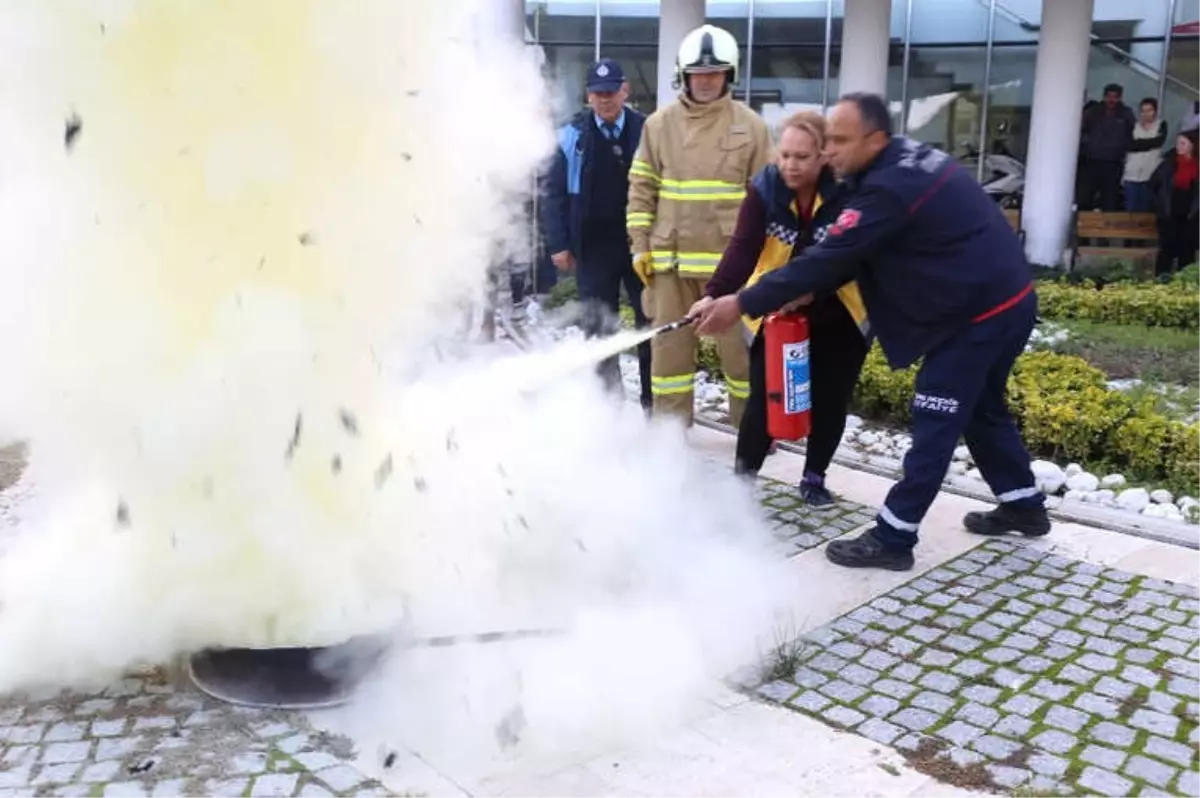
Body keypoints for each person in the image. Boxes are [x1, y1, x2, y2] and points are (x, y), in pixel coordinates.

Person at [694, 93, 1047, 573]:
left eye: (839, 140)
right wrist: (769, 291)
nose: (830, 150)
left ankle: (894, 536)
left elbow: (832, 255)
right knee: (983, 408)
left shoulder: (888, 188)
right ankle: (1023, 503)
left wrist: (741, 303)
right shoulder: (896, 162)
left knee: (936, 414)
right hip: (1006, 299)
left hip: (978, 313)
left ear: (875, 139)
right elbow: (854, 252)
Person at [688, 111, 868, 506]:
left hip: (840, 311)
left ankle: (814, 477)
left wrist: (811, 293)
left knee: (830, 396)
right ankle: (742, 483)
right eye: (784, 155)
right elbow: (743, 247)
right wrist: (714, 293)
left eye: (801, 157)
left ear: (823, 155)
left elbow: (852, 257)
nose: (789, 165)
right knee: (765, 396)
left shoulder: (848, 192)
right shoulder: (764, 189)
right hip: (776, 308)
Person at [626, 24, 774, 428]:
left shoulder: (752, 127)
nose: (706, 81)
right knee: (668, 357)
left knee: (741, 357)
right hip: (669, 266)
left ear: (730, 75)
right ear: (683, 75)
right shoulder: (658, 126)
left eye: (715, 73)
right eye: (698, 73)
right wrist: (640, 247)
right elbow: (641, 189)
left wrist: (768, 263)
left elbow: (770, 200)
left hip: (731, 270)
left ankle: (751, 432)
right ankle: (670, 437)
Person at [541, 58, 652, 410]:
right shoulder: (570, 135)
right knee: (598, 325)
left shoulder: (648, 130)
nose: (605, 99)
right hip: (593, 245)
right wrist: (558, 243)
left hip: (639, 244)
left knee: (648, 321)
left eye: (611, 92)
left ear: (625, 91)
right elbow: (552, 194)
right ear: (588, 96)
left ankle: (654, 402)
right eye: (597, 93)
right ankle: (609, 404)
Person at [1149, 131, 1200, 277]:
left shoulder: (1197, 165)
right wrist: (1158, 206)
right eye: (1178, 143)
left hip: (1191, 216)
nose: (1179, 146)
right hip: (1169, 214)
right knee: (1167, 250)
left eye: (1183, 143)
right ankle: (1161, 280)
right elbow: (1153, 185)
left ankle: (1184, 281)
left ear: (1192, 146)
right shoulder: (1169, 163)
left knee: (1187, 250)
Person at [1080, 83, 1136, 211]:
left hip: (1114, 162)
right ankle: (1083, 227)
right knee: (1085, 196)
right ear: (1104, 97)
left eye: (1115, 97)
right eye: (1109, 96)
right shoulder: (1093, 111)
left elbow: (1132, 133)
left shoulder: (1126, 113)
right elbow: (1082, 130)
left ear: (1120, 98)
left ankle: (1108, 228)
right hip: (1091, 160)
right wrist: (1088, 145)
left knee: (1110, 198)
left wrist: (1122, 148)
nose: (1111, 100)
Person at [1123, 97, 1167, 214]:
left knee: (1146, 211)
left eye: (1149, 110)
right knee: (1130, 209)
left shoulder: (1161, 124)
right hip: (1131, 174)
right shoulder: (1133, 126)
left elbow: (1159, 141)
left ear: (1155, 111)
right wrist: (1150, 143)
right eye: (1143, 111)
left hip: (1150, 174)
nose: (1146, 114)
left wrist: (1139, 144)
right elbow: (1129, 145)